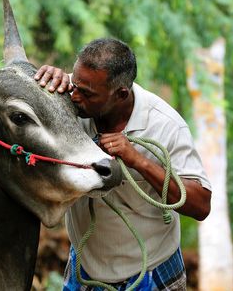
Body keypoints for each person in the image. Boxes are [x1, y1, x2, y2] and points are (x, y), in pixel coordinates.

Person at [34, 38, 212, 290]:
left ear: (121, 95)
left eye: (85, 93)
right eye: (74, 84)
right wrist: (43, 83)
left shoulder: (165, 126)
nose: (74, 96)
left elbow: (201, 205)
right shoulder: (70, 103)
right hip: (86, 268)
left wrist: (138, 161)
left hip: (153, 268)